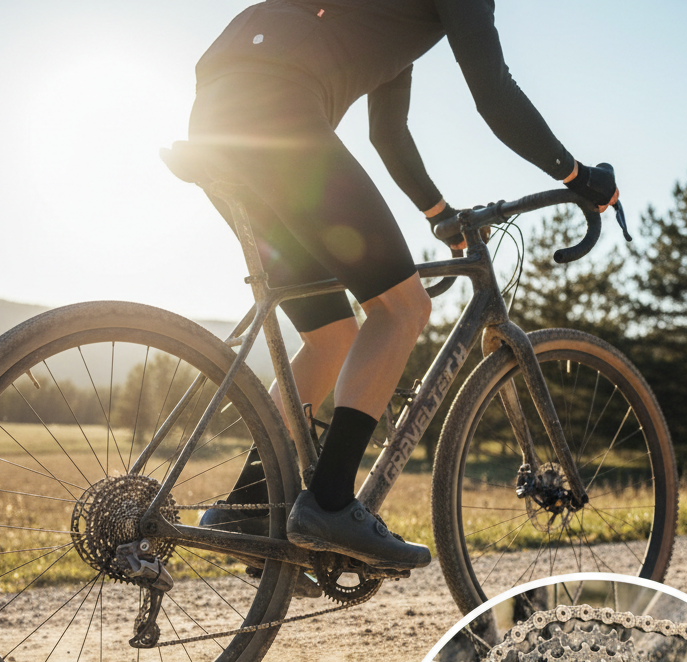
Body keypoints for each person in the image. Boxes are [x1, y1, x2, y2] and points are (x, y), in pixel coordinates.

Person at [186, 0, 619, 572]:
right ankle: (332, 504)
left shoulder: (387, 17)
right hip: (280, 110)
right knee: (402, 309)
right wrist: (578, 176)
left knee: (331, 335)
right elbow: (494, 93)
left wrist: (437, 211)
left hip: (219, 110)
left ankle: (246, 505)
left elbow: (388, 133)